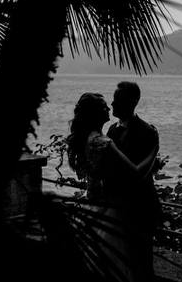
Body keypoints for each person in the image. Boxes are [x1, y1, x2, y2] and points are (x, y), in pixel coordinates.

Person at [66, 92, 157, 282]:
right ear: (95, 114)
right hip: (112, 209)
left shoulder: (87, 138)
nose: (109, 108)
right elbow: (135, 173)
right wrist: (153, 150)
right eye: (104, 106)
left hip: (92, 205)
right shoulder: (102, 143)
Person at [107, 81, 160, 282]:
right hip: (117, 206)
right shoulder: (111, 130)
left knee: (142, 263)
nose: (112, 103)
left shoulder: (146, 131)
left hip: (140, 207)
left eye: (117, 99)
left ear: (133, 101)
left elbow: (140, 174)